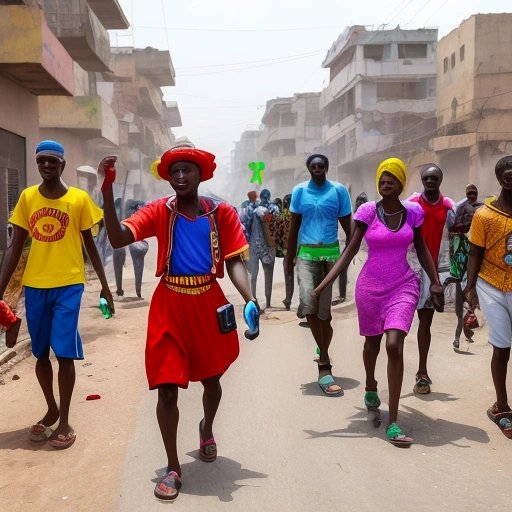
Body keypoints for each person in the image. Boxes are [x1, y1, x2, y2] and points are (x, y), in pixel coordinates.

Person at [98, 146, 257, 501]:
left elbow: (234, 261)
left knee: (212, 382)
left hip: (208, 303)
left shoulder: (221, 213)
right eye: (175, 172)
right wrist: (107, 191)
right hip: (169, 303)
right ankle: (173, 466)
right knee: (166, 386)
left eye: (187, 170)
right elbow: (119, 237)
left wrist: (250, 298)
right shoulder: (159, 210)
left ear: (200, 174)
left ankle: (206, 428)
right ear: (168, 177)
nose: (181, 177)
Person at [313, 158, 443, 445]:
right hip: (370, 288)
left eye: (391, 180)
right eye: (381, 180)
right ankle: (370, 384)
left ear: (400, 184)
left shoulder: (413, 213)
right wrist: (325, 283)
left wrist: (435, 282)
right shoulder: (367, 211)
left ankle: (393, 422)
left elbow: (421, 249)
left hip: (404, 284)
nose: (385, 184)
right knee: (372, 344)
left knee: (394, 345)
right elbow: (349, 251)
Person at [0, 140, 114, 449]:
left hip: (69, 284)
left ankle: (64, 419)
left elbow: (90, 246)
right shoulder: (27, 198)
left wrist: (104, 285)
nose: (46, 166)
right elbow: (14, 247)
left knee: (63, 351)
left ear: (62, 165)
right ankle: (51, 407)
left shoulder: (77, 200)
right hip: (35, 285)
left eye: (52, 161)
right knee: (40, 353)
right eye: (41, 162)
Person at [285, 154, 352, 396]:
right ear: (309, 169)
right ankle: (325, 365)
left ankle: (321, 347)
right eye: (313, 166)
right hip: (305, 255)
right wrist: (288, 258)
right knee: (309, 307)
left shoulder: (339, 191)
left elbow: (349, 227)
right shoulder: (300, 192)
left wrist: (349, 256)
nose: (317, 169)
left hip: (330, 256)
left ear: (326, 168)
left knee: (325, 315)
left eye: (321, 166)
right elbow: (294, 227)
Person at [465, 156, 512, 439]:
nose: (511, 178)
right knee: (503, 346)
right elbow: (475, 253)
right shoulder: (484, 215)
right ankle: (502, 407)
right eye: (507, 175)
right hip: (491, 283)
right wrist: (470, 288)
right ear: (499, 178)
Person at [408, 164, 455, 394]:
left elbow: (458, 233)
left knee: (425, 322)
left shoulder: (448, 207)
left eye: (434, 178)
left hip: (434, 272)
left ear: (440, 180)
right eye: (426, 178)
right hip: (411, 269)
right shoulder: (412, 204)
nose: (429, 181)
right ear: (422, 179)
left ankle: (422, 372)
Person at [447, 184, 483, 349]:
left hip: (473, 248)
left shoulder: (481, 208)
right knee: (459, 286)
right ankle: (460, 330)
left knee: (471, 286)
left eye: (474, 192)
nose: (472, 195)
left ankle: (465, 325)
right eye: (469, 192)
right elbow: (451, 227)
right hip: (457, 247)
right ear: (465, 193)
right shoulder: (459, 207)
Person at [246, 188, 279, 309]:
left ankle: (258, 300)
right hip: (261, 246)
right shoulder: (265, 208)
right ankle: (254, 300)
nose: (265, 199)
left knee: (257, 275)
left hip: (260, 246)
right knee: (258, 275)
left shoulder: (257, 208)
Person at [112, 198, 149, 299]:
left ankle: (122, 290)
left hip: (127, 239)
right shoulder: (137, 208)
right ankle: (136, 290)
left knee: (122, 259)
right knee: (136, 262)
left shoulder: (120, 209)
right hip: (130, 240)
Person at [273, 193, 294, 309]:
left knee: (289, 275)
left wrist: (279, 248)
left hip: (288, 250)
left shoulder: (283, 215)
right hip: (303, 248)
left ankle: (288, 300)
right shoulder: (301, 214)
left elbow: (278, 233)